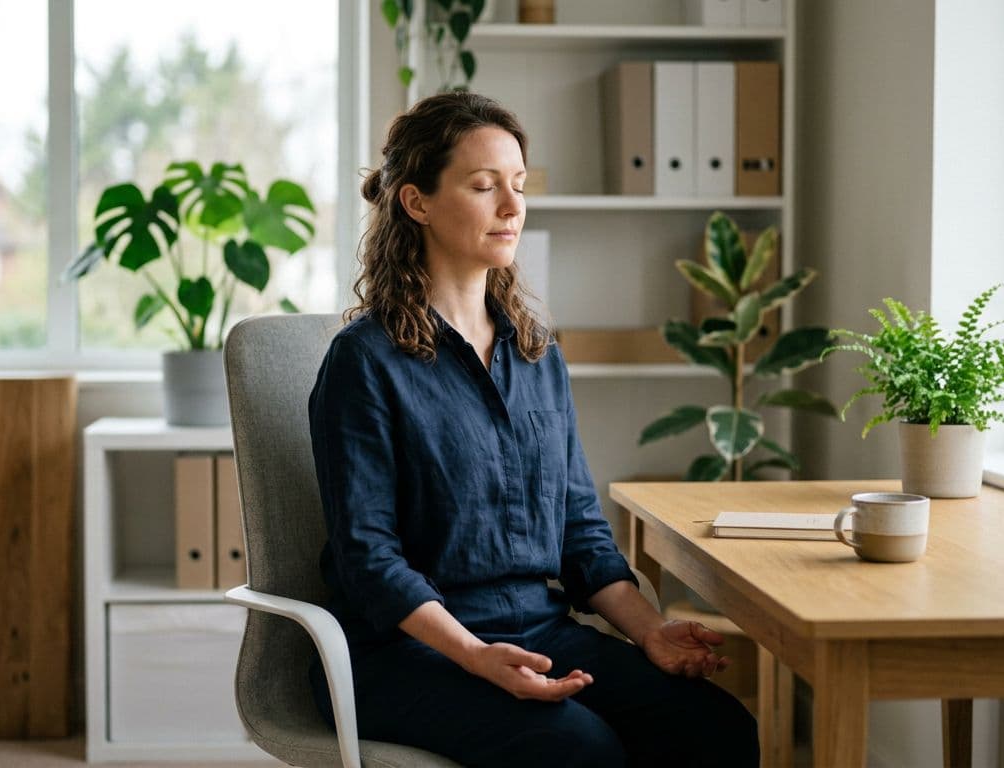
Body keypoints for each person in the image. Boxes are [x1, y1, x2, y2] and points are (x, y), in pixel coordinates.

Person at [307, 92, 759, 768]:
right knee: (579, 750)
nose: (512, 207)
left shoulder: (537, 354)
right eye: (484, 186)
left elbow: (581, 530)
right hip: (407, 650)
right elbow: (369, 560)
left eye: (518, 186)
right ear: (416, 202)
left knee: (714, 727)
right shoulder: (365, 362)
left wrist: (653, 631)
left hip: (540, 627)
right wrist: (474, 655)